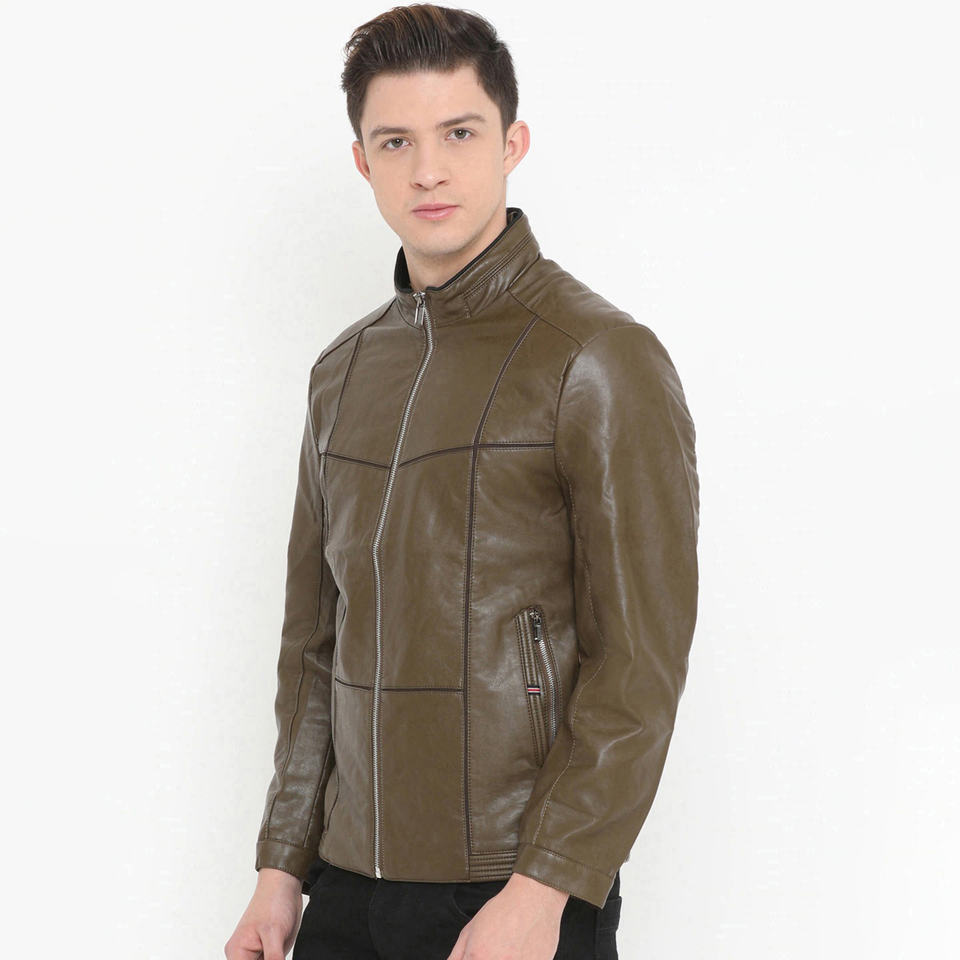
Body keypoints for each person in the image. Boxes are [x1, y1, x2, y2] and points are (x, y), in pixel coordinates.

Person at [225, 4, 700, 959]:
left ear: (512, 143)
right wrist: (281, 872)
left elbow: (638, 669)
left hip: (514, 888)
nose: (428, 171)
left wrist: (545, 887)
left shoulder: (597, 358)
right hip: (345, 888)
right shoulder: (342, 373)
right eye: (395, 141)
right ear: (362, 161)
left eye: (459, 133)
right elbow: (314, 647)